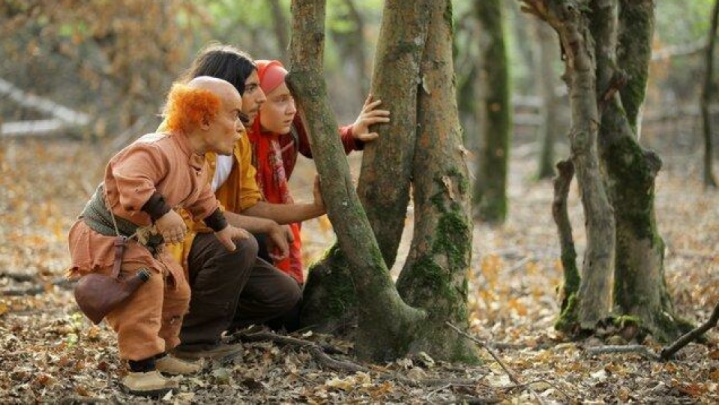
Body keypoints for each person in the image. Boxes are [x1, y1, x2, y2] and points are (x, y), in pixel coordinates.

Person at [67, 77, 251, 396]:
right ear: (204, 119)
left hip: (142, 240)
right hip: (107, 236)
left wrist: (222, 227)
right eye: (234, 115)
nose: (241, 127)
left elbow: (200, 197)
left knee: (176, 289)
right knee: (146, 287)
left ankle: (160, 352)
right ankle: (139, 368)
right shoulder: (158, 148)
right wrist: (162, 211)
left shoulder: (196, 162)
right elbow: (127, 175)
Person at [248, 59, 389, 283]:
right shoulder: (235, 140)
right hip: (242, 231)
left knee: (290, 299)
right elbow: (243, 208)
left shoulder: (291, 126)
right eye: (280, 100)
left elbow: (322, 144)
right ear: (255, 101)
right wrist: (312, 209)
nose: (292, 109)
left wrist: (353, 132)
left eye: (293, 99)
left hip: (281, 222)